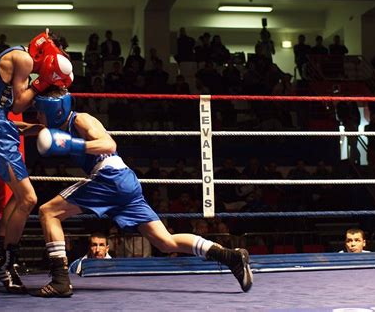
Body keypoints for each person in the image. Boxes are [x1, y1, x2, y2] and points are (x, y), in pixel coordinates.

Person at [30, 91, 253, 297]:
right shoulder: (58, 128)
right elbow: (34, 129)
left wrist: (73, 145)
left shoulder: (81, 120)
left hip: (109, 178)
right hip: (123, 182)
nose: (38, 116)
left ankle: (60, 280)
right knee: (165, 242)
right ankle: (230, 257)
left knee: (48, 212)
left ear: (53, 110)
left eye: (40, 111)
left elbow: (109, 144)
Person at [0, 30, 73, 293]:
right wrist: (42, 82)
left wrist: (38, 129)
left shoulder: (16, 55)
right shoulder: (25, 61)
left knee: (19, 197)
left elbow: (8, 112)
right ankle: (7, 260)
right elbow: (18, 106)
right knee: (29, 199)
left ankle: (0, 249)